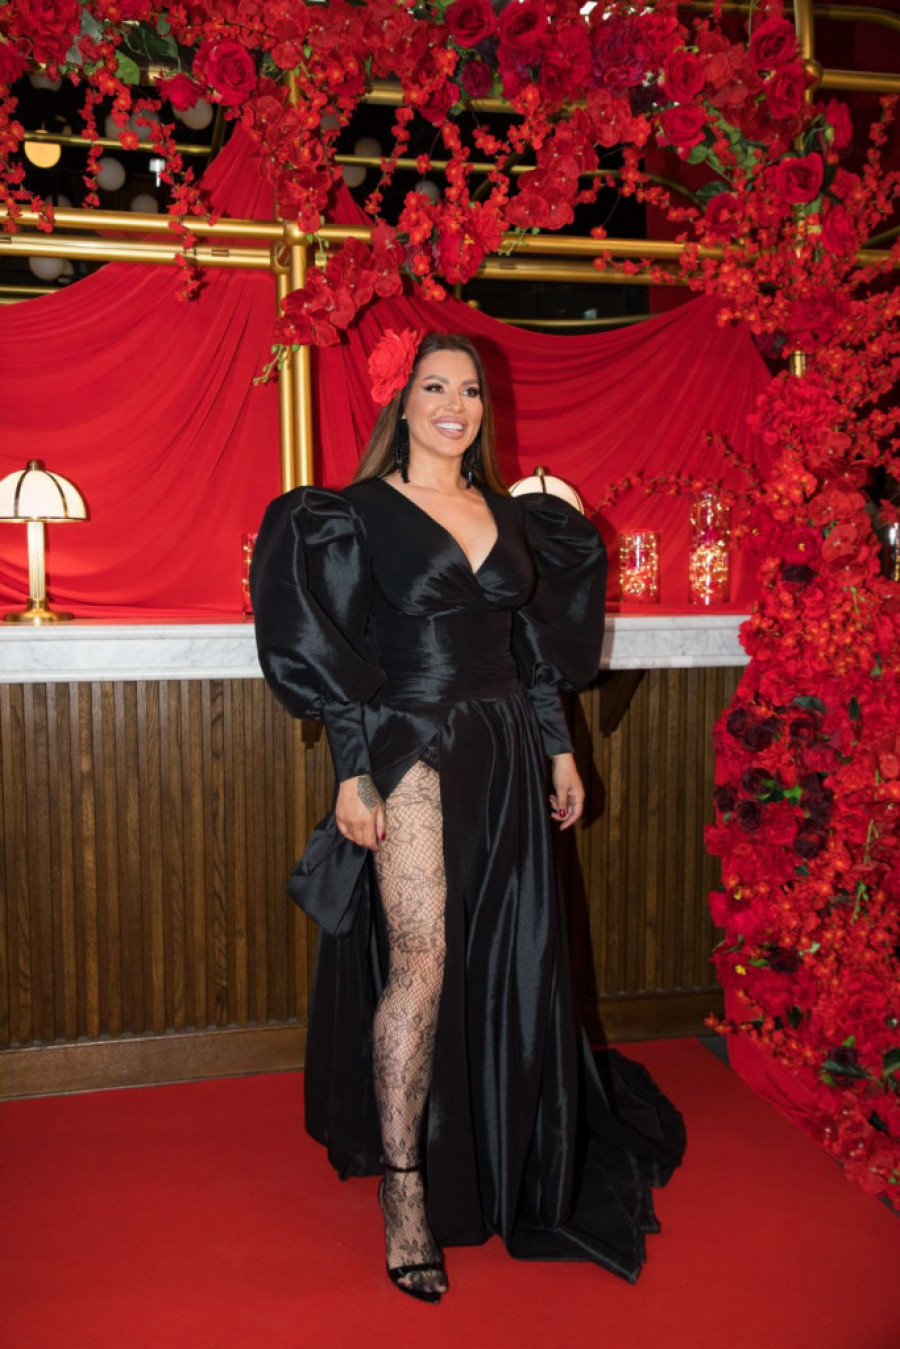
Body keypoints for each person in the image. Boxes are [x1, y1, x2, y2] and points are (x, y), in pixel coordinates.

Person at [250, 330, 685, 1304]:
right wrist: (351, 772)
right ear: (400, 403)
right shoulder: (353, 514)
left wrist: (562, 749)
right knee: (423, 956)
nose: (456, 405)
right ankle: (405, 1186)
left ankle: (498, 1139)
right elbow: (339, 650)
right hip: (410, 743)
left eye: (471, 390)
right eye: (436, 387)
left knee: (508, 948)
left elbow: (531, 649)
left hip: (507, 748)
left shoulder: (512, 511)